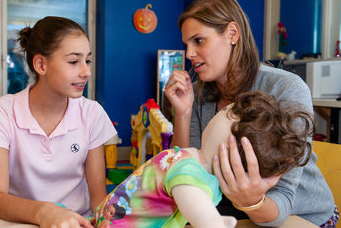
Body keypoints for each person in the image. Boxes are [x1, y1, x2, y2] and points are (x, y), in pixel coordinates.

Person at [164, 0, 337, 227]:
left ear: (232, 34)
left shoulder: (286, 88)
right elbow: (190, 171)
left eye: (199, 40)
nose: (189, 54)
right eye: (187, 44)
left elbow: (283, 199)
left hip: (298, 213)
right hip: (233, 207)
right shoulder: (198, 93)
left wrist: (250, 202)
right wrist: (183, 114)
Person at [0, 16, 117, 228]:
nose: (86, 72)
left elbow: (99, 200)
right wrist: (45, 212)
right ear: (41, 64)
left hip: (75, 221)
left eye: (87, 60)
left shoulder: (92, 113)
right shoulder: (2, 111)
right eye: (74, 61)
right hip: (21, 220)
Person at [91, 91, 315, 228]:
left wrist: (211, 222)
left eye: (227, 110)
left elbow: (195, 204)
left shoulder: (191, 172)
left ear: (228, 143)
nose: (221, 109)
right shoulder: (189, 160)